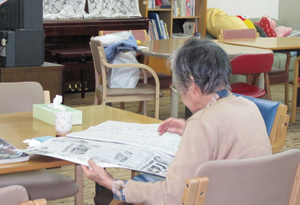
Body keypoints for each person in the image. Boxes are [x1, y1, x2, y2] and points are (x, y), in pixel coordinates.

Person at [81, 38, 272, 205]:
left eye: (178, 88)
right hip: (258, 198)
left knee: (107, 198)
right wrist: (190, 127)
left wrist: (112, 183)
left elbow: (171, 197)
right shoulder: (248, 107)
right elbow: (224, 133)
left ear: (191, 85)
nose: (180, 93)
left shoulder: (202, 123)